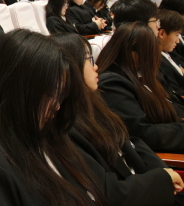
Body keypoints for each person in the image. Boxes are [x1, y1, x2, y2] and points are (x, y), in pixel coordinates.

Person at [0, 29, 105, 206]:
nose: (57, 106)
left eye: (61, 95)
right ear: (17, 91)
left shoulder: (42, 131)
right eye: (50, 94)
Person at [52, 33, 184, 206]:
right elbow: (105, 189)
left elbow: (130, 141)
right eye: (88, 60)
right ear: (70, 68)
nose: (95, 66)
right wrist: (161, 179)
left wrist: (163, 170)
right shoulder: (67, 124)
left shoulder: (93, 103)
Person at [98, 22, 184, 153]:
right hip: (153, 152)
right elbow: (142, 133)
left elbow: (169, 108)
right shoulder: (111, 84)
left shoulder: (139, 74)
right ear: (133, 53)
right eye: (152, 54)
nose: (154, 60)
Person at [156, 9, 184, 102]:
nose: (178, 41)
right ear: (162, 33)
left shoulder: (169, 53)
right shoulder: (158, 60)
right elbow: (175, 92)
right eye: (176, 35)